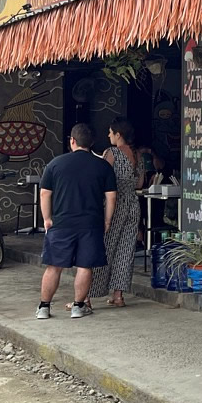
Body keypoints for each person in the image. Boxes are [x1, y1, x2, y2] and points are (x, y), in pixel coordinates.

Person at [38, 123, 117, 320]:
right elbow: (111, 197)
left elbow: (45, 193)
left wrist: (47, 219)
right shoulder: (103, 165)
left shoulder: (55, 164)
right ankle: (78, 307)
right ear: (91, 143)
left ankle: (44, 308)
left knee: (54, 266)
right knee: (85, 265)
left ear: (72, 141)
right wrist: (107, 221)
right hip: (91, 224)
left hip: (61, 223)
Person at [91, 119, 144, 308]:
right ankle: (118, 296)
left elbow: (102, 179)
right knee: (126, 250)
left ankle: (89, 295)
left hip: (114, 205)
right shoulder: (137, 155)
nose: (108, 136)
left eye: (110, 132)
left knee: (105, 247)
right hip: (133, 204)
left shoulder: (111, 153)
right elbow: (139, 184)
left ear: (118, 134)